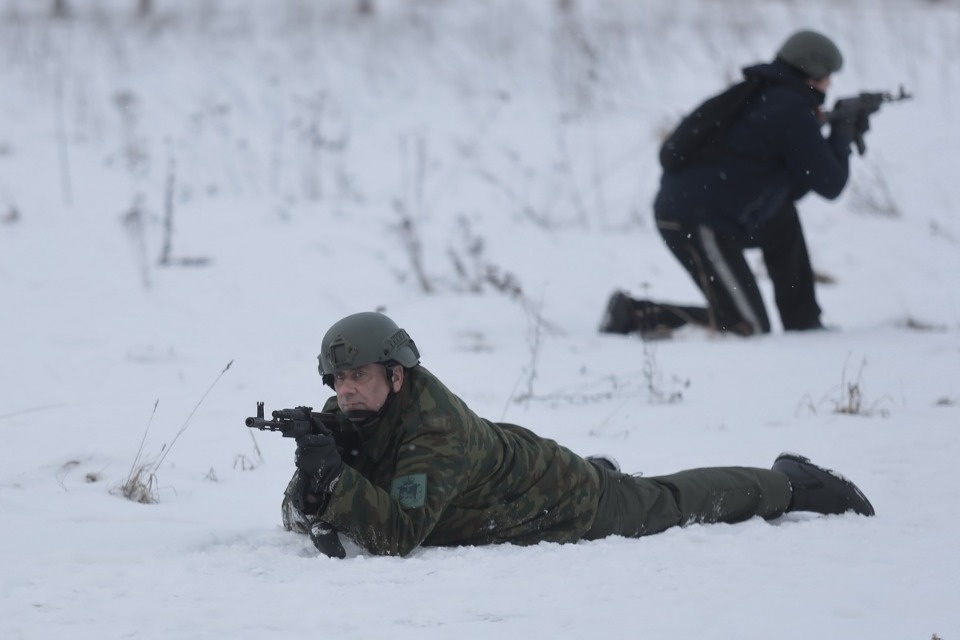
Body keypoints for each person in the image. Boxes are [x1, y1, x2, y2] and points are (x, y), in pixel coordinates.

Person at [280, 311, 874, 557]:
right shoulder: (355, 418)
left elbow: (397, 538)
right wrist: (316, 477)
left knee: (669, 503)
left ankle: (789, 485)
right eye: (338, 380)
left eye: (358, 376)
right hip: (501, 476)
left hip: (558, 503)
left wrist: (334, 482)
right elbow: (295, 515)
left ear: (395, 373)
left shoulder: (434, 432)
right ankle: (601, 470)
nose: (345, 391)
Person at [601, 30, 860, 338]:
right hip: (696, 221)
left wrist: (837, 136)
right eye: (827, 75)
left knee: (782, 220)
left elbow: (797, 183)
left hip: (710, 212)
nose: (830, 84)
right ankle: (634, 314)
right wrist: (842, 137)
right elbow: (831, 185)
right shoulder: (790, 109)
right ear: (811, 72)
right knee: (745, 324)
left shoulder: (762, 93)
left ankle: (804, 323)